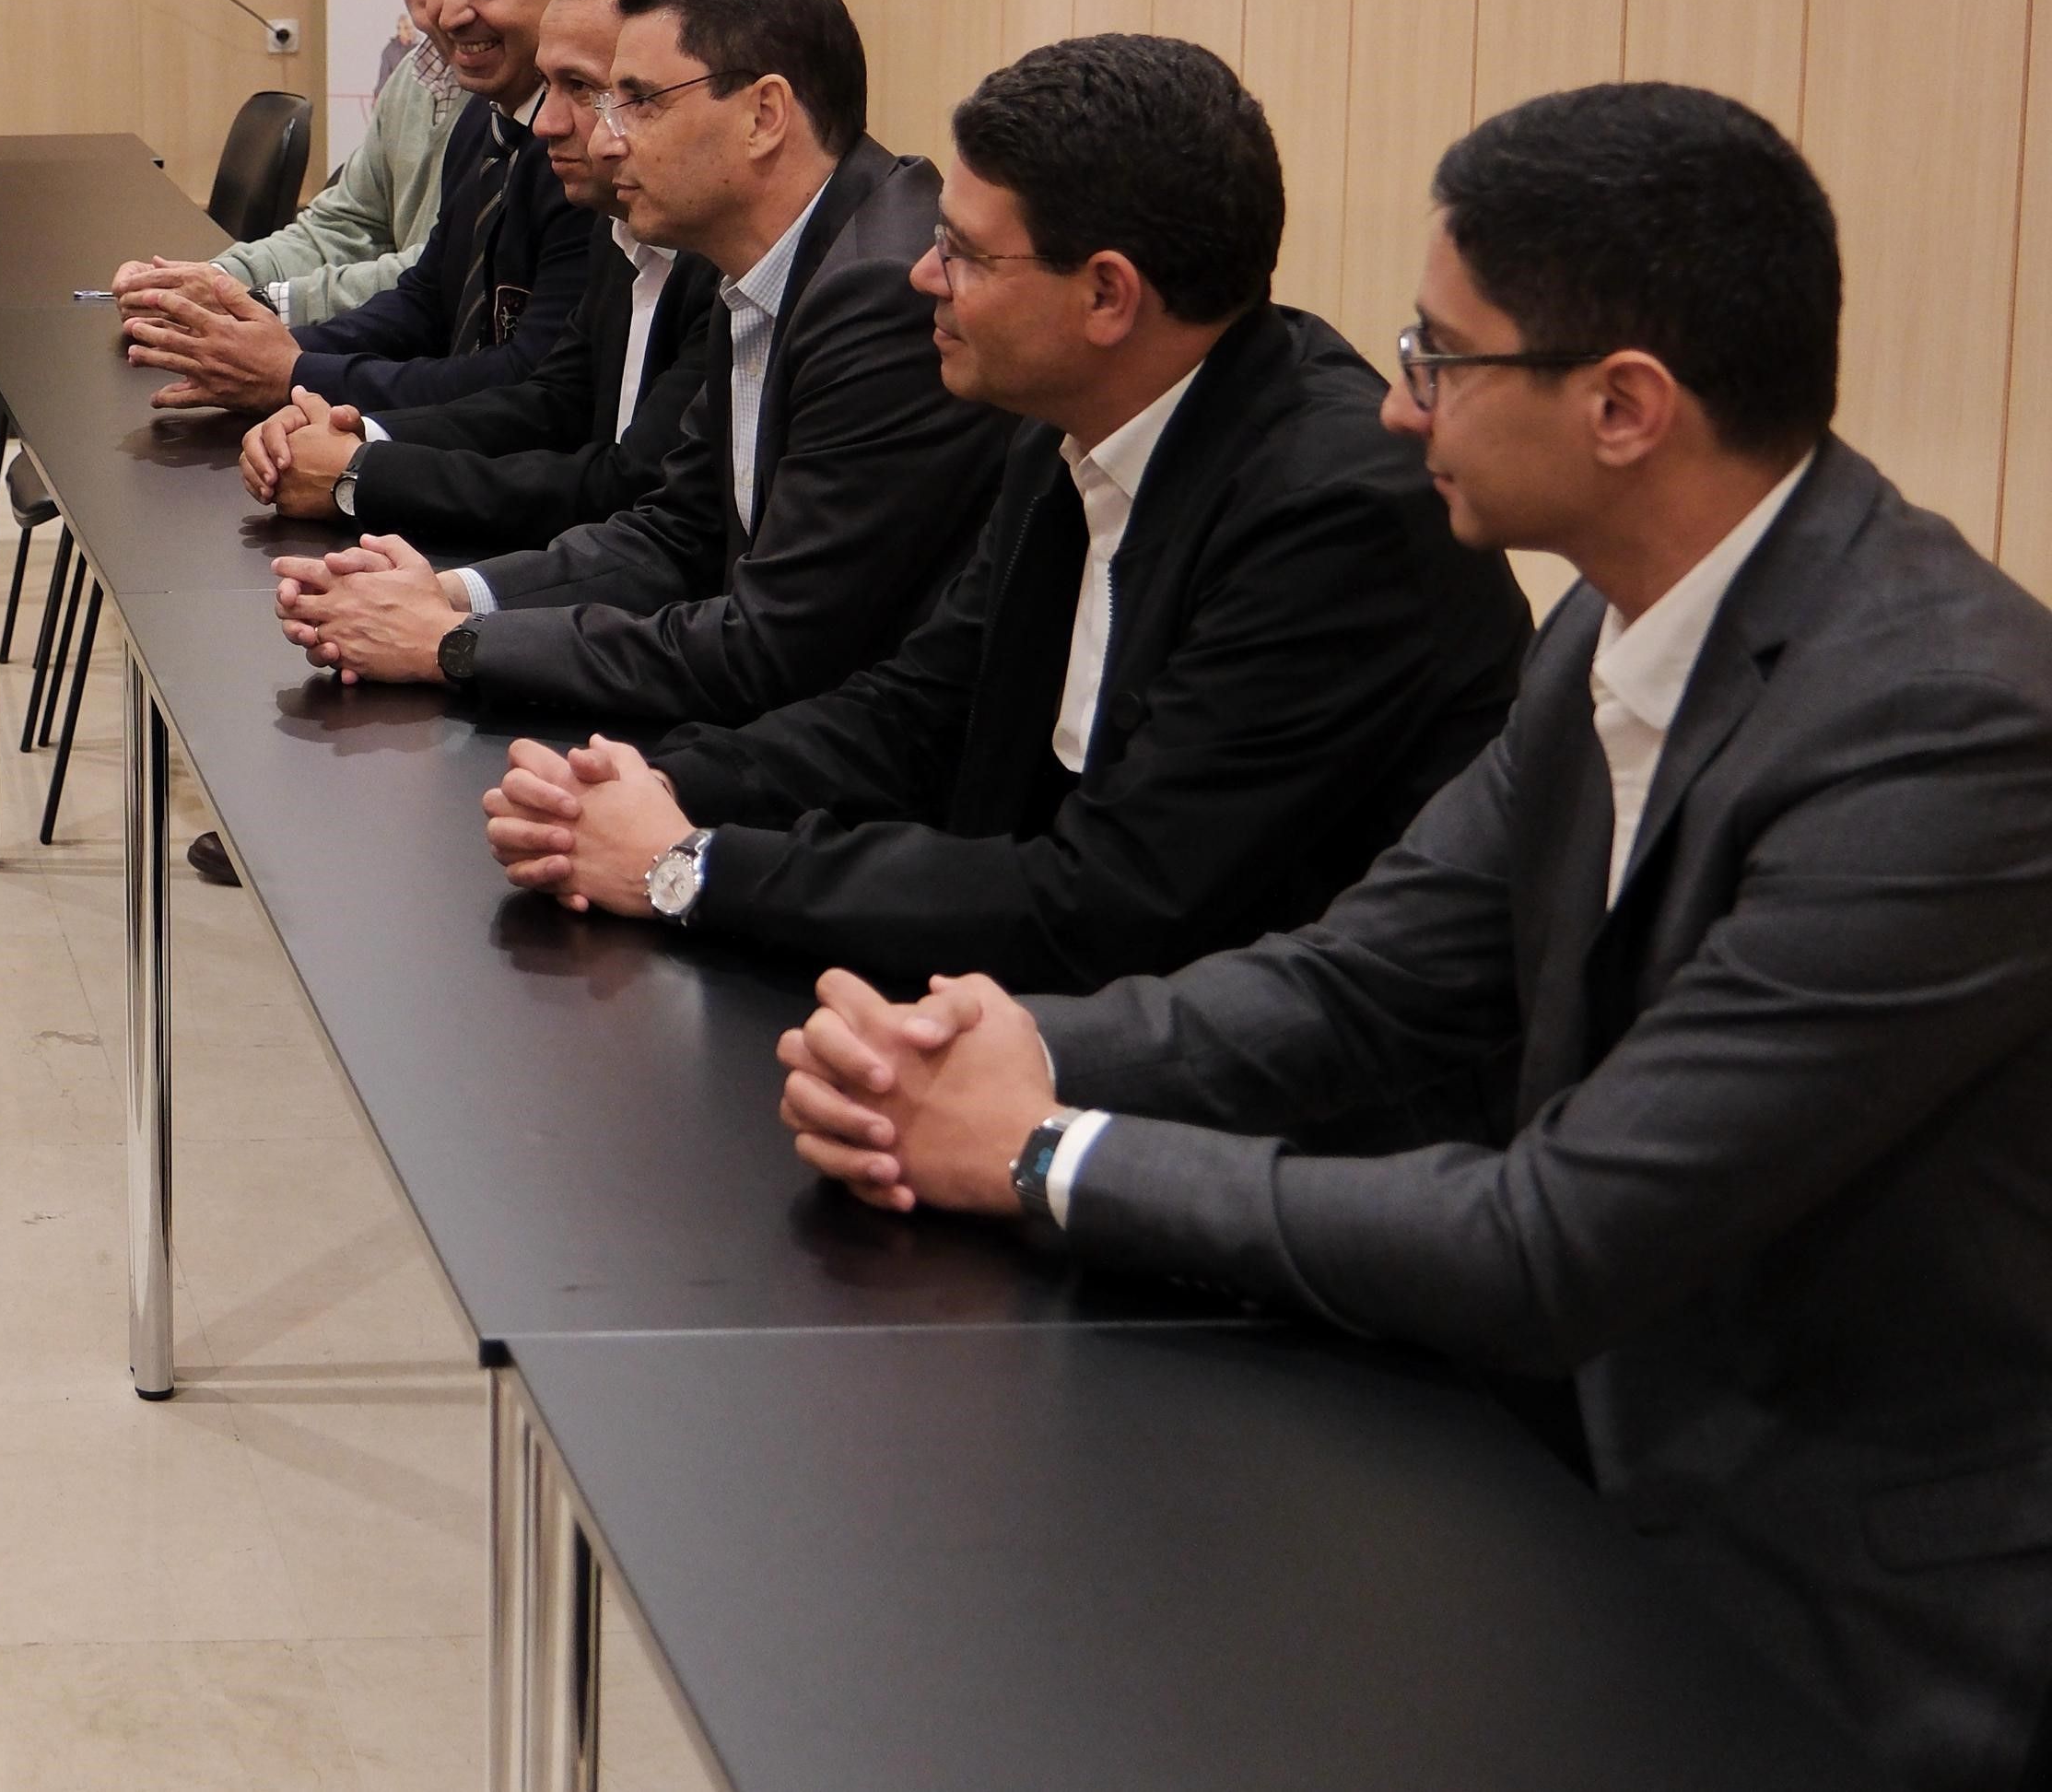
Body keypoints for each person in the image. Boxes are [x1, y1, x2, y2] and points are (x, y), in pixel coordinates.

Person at [775, 86, 2052, 1792]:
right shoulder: (1610, 618)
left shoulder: (1946, 734)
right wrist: (994, 1045)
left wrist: (1042, 1149)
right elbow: (1362, 976)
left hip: (1856, 1621)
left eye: (1440, 358)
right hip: (1588, 1475)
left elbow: (1557, 1232)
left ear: (1623, 406)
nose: (1395, 403)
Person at [479, 34, 1530, 993]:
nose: (922, 274)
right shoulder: (1067, 418)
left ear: (1107, 296)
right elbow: (914, 713)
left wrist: (689, 865)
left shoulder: (1336, 512)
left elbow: (1114, 900)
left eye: (965, 253)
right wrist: (643, 787)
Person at [276, 0, 1017, 731]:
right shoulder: (763, 255)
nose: (603, 139)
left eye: (638, 101)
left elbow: (775, 648)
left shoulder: (881, 295)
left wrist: (452, 643)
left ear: (763, 115)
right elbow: (676, 535)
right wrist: (448, 596)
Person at [240, 0, 721, 555]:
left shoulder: (713, 254)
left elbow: (626, 488)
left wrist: (359, 473)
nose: (546, 122)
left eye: (585, 89)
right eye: (548, 85)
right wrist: (357, 432)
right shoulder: (610, 217)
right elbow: (552, 401)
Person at [114, 0, 610, 418]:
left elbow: (533, 387)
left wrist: (294, 372)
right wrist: (257, 350)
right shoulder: (486, 115)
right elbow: (428, 297)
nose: (449, 12)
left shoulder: (596, 153)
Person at [140, 0, 501, 321]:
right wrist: (211, 278)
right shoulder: (410, 75)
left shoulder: (513, 89)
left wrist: (253, 301)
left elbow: (438, 276)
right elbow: (341, 227)